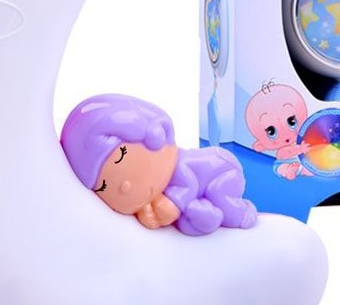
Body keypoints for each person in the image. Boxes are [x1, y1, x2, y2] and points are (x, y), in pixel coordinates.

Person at [61, 93, 256, 236]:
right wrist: (152, 216)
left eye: (121, 155)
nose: (125, 186)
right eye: (104, 187)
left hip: (223, 172)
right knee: (187, 224)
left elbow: (188, 184)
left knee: (223, 202)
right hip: (194, 202)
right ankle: (207, 218)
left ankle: (243, 213)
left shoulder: (181, 165)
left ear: (158, 133)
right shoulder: (153, 195)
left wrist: (173, 203)